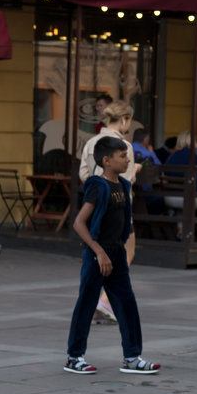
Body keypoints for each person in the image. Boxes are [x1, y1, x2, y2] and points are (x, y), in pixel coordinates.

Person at [64, 136, 160, 375]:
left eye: (127, 156)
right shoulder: (98, 187)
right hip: (98, 254)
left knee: (127, 304)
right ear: (107, 161)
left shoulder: (123, 186)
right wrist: (98, 251)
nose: (128, 160)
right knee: (86, 303)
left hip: (116, 253)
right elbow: (79, 223)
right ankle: (74, 357)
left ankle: (132, 357)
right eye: (122, 156)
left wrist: (119, 249)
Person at [79, 101, 137, 323]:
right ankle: (105, 300)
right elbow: (126, 180)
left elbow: (83, 173)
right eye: (129, 120)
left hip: (94, 206)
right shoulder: (123, 146)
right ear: (124, 120)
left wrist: (96, 187)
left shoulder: (90, 142)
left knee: (95, 254)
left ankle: (95, 300)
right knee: (124, 253)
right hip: (118, 208)